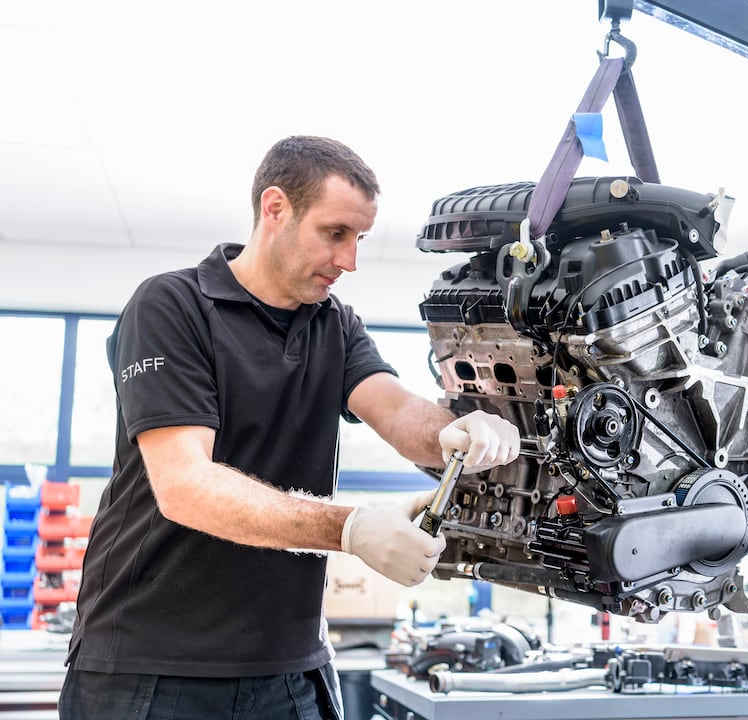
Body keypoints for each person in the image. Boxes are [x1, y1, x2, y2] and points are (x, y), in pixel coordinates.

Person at [59, 136, 521, 720]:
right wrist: (351, 530)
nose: (350, 260)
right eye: (335, 234)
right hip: (150, 669)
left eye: (360, 239)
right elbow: (185, 487)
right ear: (275, 208)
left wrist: (456, 430)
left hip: (290, 669)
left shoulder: (335, 325)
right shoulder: (171, 306)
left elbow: (396, 409)